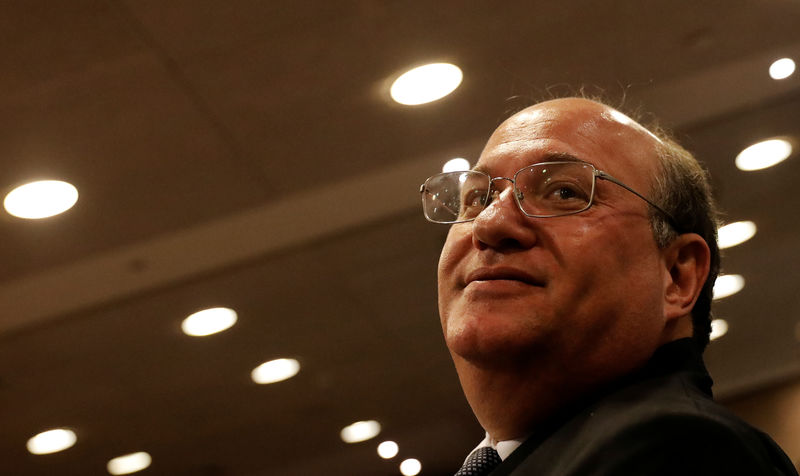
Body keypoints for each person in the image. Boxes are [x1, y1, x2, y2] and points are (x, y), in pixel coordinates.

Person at [420, 97, 798, 475]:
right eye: (477, 198)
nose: (489, 223)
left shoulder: (676, 449)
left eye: (564, 192)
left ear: (677, 276)